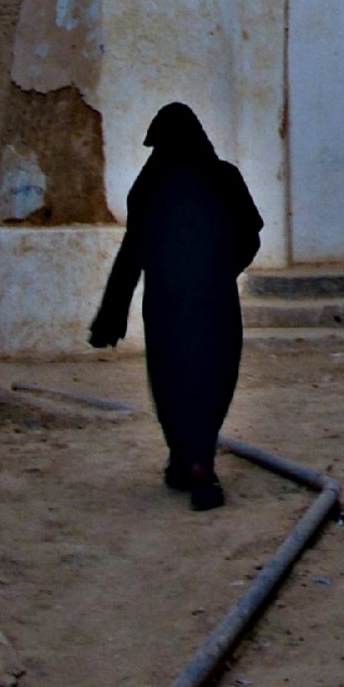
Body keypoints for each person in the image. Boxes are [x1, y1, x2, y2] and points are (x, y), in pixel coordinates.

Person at [88, 102, 263, 511]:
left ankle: (181, 457)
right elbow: (251, 235)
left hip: (165, 305)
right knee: (213, 378)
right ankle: (201, 460)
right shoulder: (223, 178)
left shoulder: (148, 187)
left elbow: (131, 254)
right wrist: (222, 270)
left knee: (171, 381)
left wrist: (110, 316)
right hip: (215, 304)